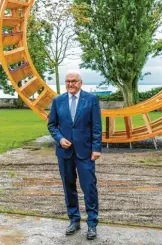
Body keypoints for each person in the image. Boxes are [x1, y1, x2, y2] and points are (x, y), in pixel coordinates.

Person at [47, 71, 102, 240]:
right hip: (64, 153)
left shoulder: (91, 100)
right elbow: (51, 125)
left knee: (89, 188)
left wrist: (96, 148)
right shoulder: (58, 101)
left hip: (85, 152)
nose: (70, 84)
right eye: (67, 81)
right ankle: (74, 220)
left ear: (80, 83)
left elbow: (96, 127)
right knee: (69, 188)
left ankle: (92, 224)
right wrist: (60, 138)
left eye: (73, 81)